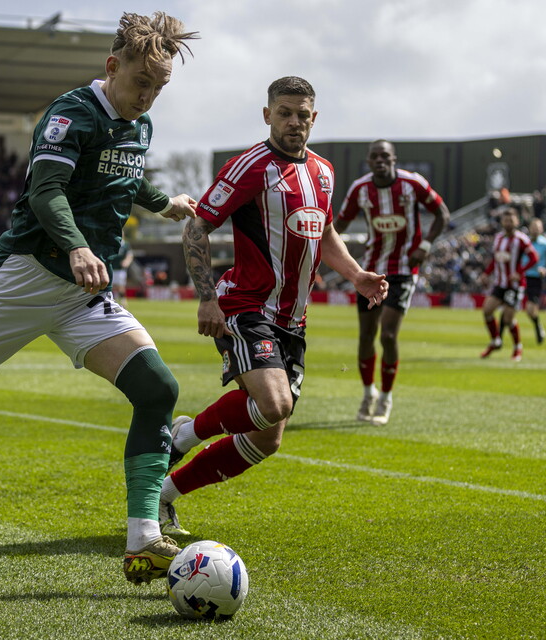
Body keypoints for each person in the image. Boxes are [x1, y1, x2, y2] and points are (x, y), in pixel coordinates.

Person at [0, 11, 199, 586]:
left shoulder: (139, 125)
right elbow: (45, 190)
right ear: (112, 65)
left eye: (159, 88)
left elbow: (123, 177)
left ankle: (142, 541)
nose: (148, 98)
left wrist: (163, 202)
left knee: (158, 389)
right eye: (141, 83)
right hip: (24, 279)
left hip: (83, 293)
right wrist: (77, 246)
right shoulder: (70, 114)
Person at [158, 76, 388, 536]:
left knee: (267, 438)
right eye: (284, 113)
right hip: (245, 306)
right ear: (267, 115)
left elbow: (323, 231)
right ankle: (186, 434)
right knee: (275, 402)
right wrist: (207, 298)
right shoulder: (249, 166)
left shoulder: (323, 172)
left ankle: (165, 495)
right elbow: (197, 228)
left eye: (302, 115)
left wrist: (356, 274)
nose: (294, 122)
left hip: (292, 322)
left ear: (314, 118)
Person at [333, 140, 449, 425]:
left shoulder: (413, 184)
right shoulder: (360, 189)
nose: (380, 160)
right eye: (375, 156)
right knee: (366, 335)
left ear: (394, 159)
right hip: (370, 271)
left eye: (385, 156)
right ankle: (367, 393)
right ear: (369, 161)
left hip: (404, 269)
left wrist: (425, 246)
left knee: (387, 335)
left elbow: (441, 213)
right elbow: (338, 226)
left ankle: (385, 397)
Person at [480, 207, 538, 361]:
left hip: (515, 286)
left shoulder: (521, 239)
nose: (508, 223)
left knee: (507, 318)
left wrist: (520, 272)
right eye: (506, 220)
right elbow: (496, 259)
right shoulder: (498, 238)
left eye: (511, 220)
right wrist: (486, 273)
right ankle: (495, 341)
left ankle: (517, 347)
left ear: (517, 222)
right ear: (502, 222)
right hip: (500, 283)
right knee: (487, 310)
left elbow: (534, 257)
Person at [522, 218, 546, 344]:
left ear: (542, 229)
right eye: (533, 227)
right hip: (521, 278)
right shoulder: (524, 242)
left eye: (538, 227)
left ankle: (538, 325)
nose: (535, 230)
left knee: (530, 310)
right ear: (529, 228)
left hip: (536, 279)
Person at [110, 232, 135, 308]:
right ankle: (112, 300)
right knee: (111, 286)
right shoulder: (112, 243)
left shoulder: (125, 245)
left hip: (120, 269)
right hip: (111, 268)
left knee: (121, 286)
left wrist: (126, 262)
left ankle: (123, 300)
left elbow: (129, 255)